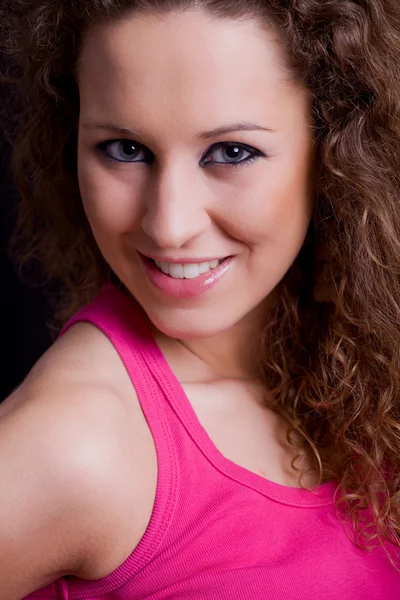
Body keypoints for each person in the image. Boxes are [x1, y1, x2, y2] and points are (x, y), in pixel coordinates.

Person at [0, 0, 399, 598]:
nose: (168, 225)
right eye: (125, 150)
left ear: (337, 151)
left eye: (231, 152)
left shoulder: (365, 358)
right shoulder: (73, 445)